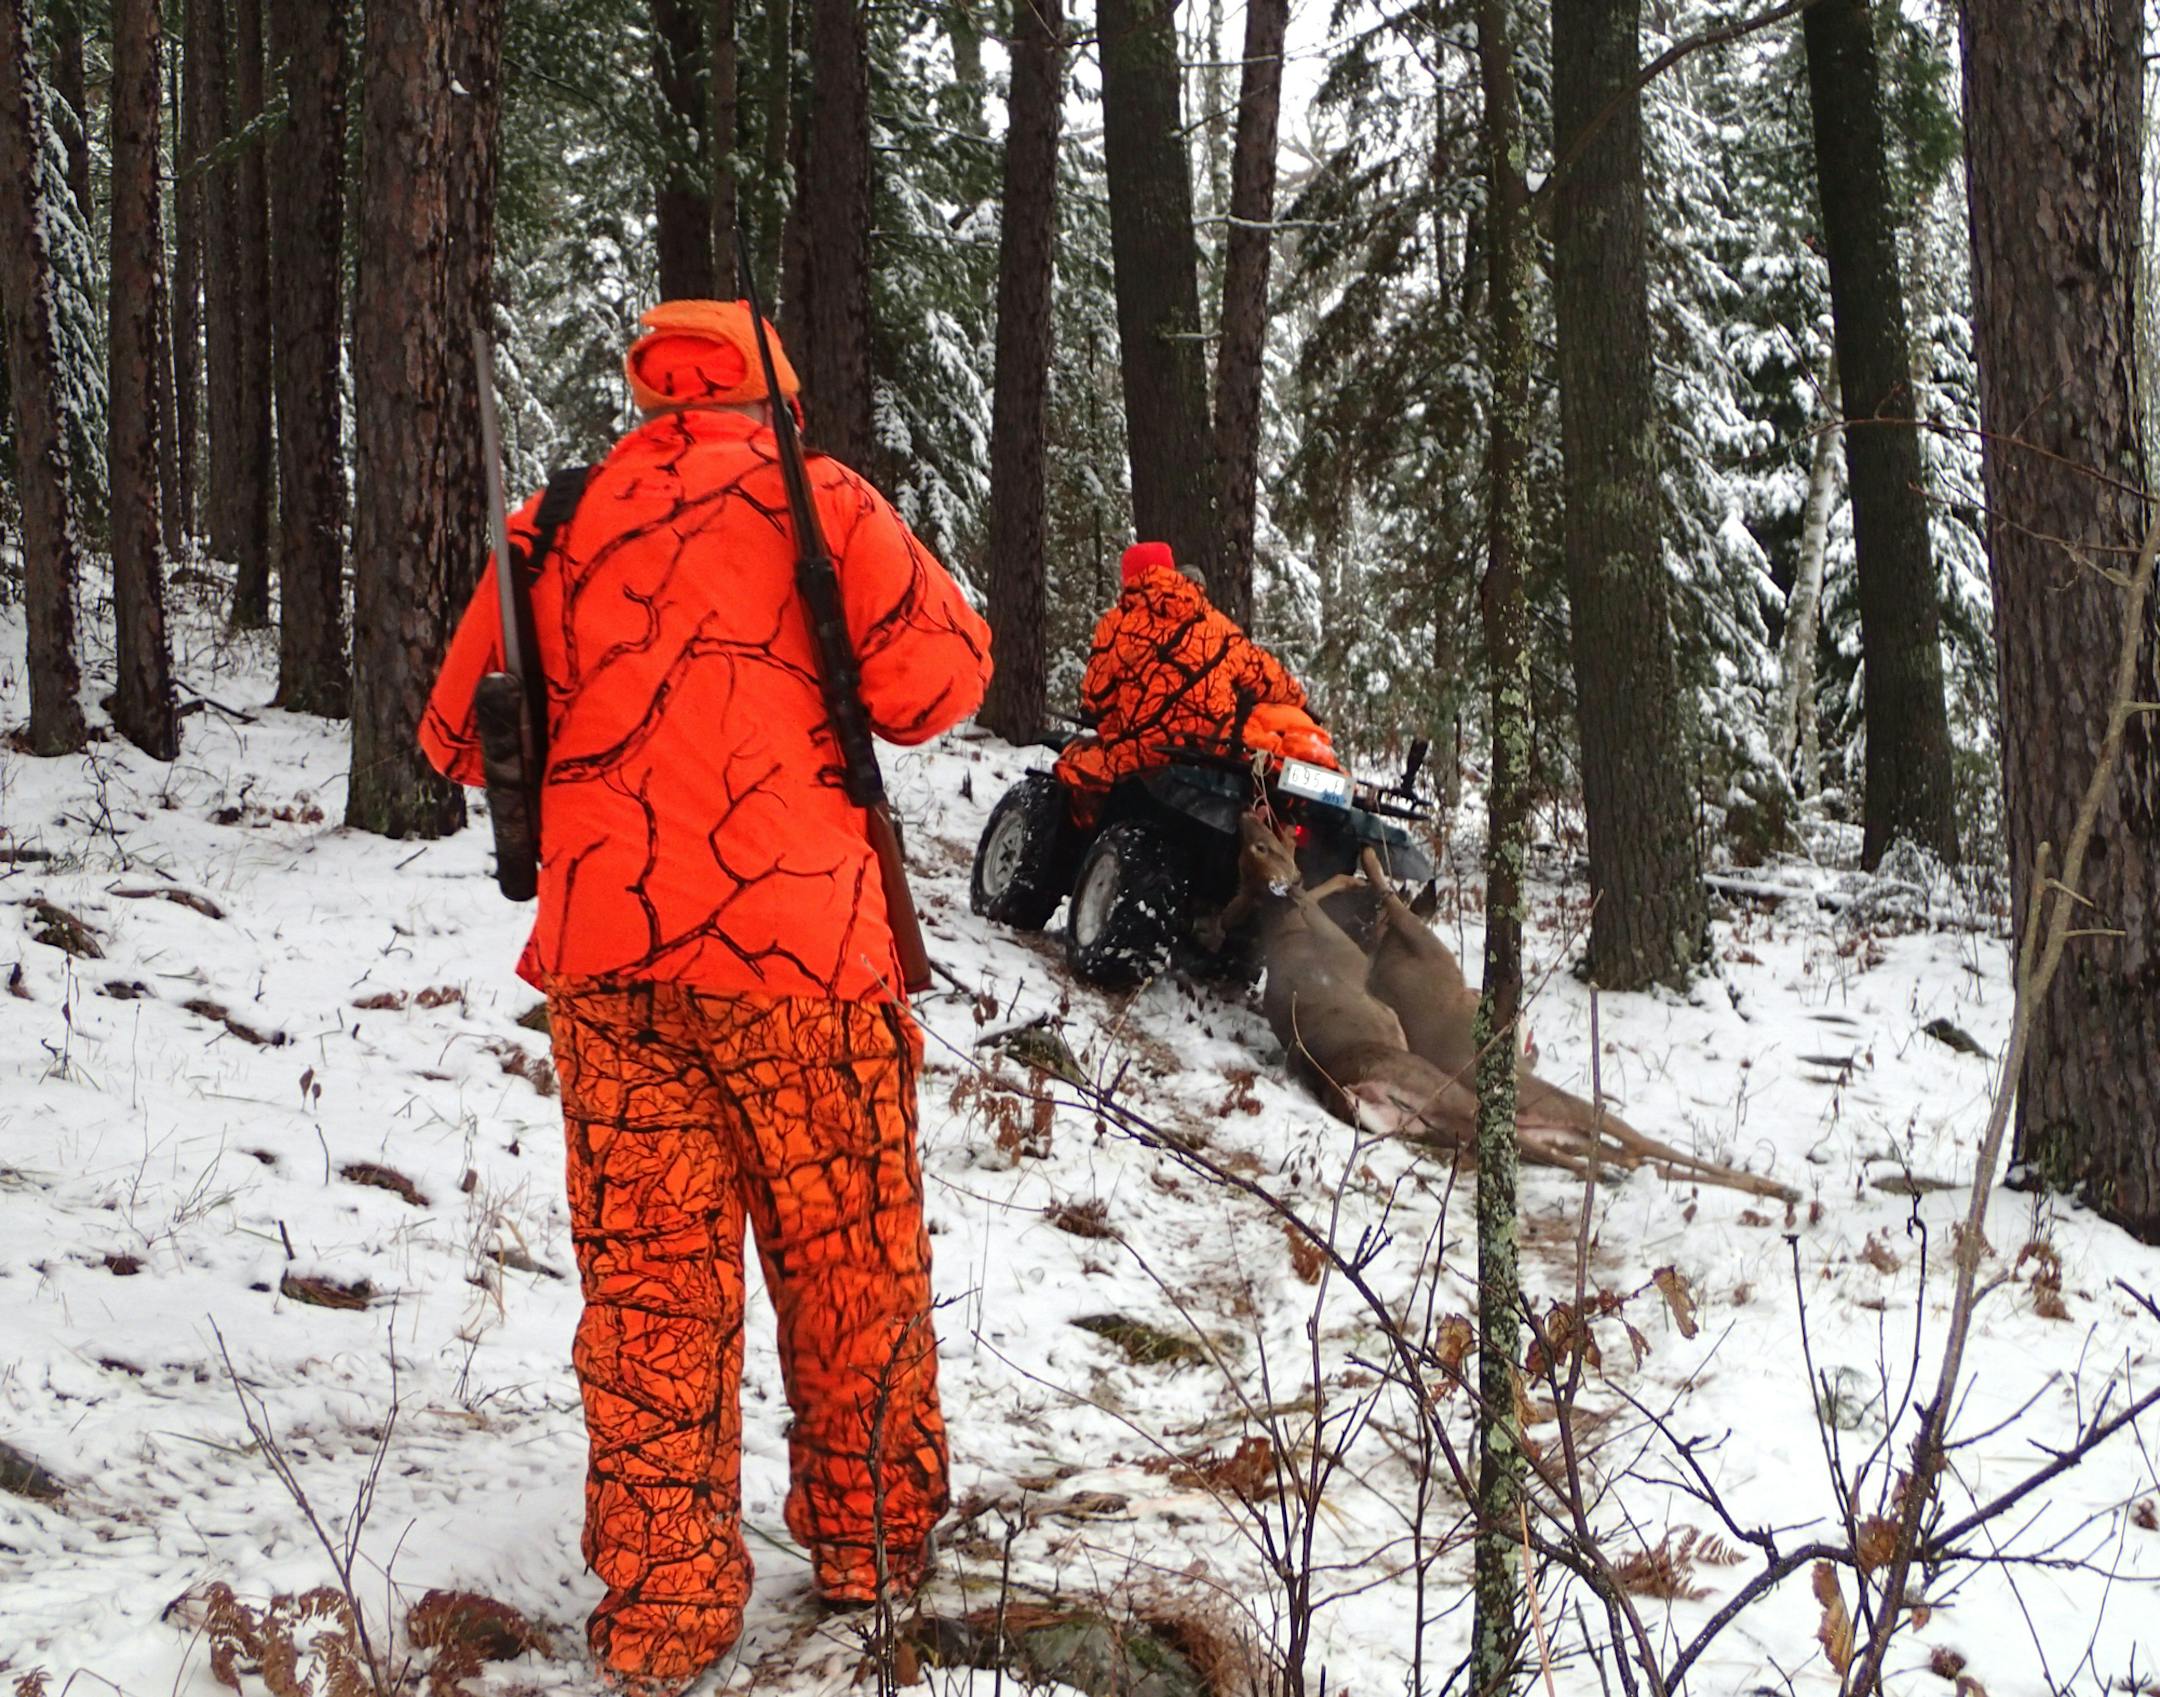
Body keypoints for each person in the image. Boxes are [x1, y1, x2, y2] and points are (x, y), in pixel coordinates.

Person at [419, 300, 992, 1684]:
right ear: (773, 394)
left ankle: (667, 1614)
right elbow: (947, 681)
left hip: (610, 971)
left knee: (652, 1298)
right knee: (849, 1259)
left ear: (656, 394)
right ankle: (872, 1549)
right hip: (803, 957)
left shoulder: (556, 521)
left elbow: (452, 737)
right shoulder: (825, 502)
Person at [1053, 540, 1336, 824]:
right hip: (1214, 745)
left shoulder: (1114, 625)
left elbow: (1097, 700)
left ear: (1128, 577)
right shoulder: (1214, 622)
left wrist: (1106, 716)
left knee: (1073, 765)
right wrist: (1302, 704)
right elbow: (1265, 675)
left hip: (1143, 752)